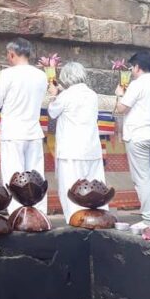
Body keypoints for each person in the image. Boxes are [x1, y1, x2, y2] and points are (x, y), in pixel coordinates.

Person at [0, 38, 49, 213]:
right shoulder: (41, 75)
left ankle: (17, 213)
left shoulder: (8, 74)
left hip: (13, 132)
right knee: (36, 176)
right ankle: (39, 213)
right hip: (33, 131)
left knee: (13, 175)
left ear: (12, 54)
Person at [47, 62, 106, 223]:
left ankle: (75, 220)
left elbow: (52, 112)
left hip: (71, 150)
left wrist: (54, 94)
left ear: (66, 77)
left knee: (72, 189)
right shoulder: (92, 94)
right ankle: (97, 219)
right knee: (96, 187)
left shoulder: (66, 95)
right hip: (91, 149)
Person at [114, 51, 150, 228]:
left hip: (139, 135)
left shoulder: (138, 85)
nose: (131, 71)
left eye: (132, 67)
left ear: (137, 67)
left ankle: (148, 219)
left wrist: (120, 93)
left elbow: (122, 108)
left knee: (143, 178)